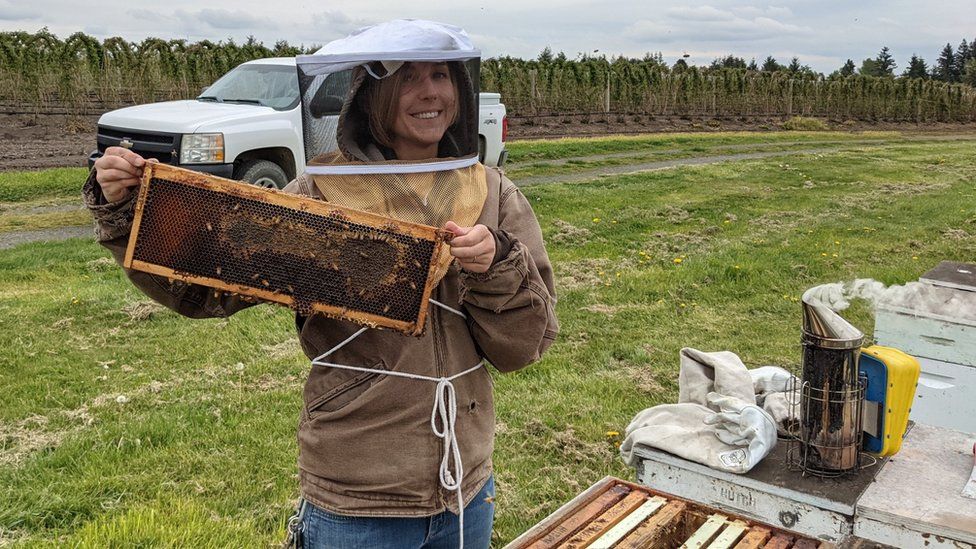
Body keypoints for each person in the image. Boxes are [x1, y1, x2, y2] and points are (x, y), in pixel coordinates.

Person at [83, 21, 557, 549]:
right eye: (409, 77)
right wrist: (129, 208)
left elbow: (524, 346)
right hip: (357, 494)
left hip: (465, 486)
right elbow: (203, 288)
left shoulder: (492, 192)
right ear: (373, 93)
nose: (431, 93)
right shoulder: (322, 191)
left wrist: (496, 264)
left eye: (442, 75)